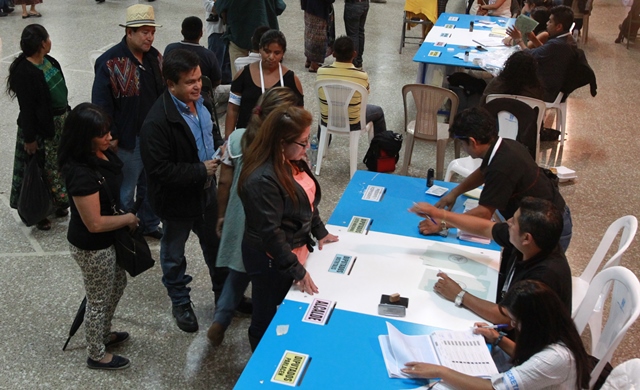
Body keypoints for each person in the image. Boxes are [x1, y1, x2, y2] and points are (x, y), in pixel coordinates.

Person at [139, 49, 227, 333]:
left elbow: (210, 131)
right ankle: (180, 302)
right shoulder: (157, 123)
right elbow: (160, 171)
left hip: (207, 194)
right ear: (171, 84)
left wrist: (220, 147)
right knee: (174, 254)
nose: (198, 86)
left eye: (199, 79)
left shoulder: (202, 102)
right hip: (177, 201)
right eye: (190, 82)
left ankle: (225, 299)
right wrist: (201, 169)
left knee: (216, 246)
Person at [238, 106, 339, 351]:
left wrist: (320, 231)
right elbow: (271, 234)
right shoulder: (262, 179)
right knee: (265, 312)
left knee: (291, 307)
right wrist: (298, 271)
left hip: (294, 249)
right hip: (271, 259)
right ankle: (261, 359)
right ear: (282, 142)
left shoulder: (292, 160)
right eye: (303, 143)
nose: (307, 149)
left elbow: (306, 200)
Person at [207, 87, 299, 347]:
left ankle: (220, 319)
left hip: (237, 215)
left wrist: (222, 215)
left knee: (237, 273)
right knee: (261, 279)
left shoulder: (237, 138)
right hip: (264, 224)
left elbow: (224, 182)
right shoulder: (280, 148)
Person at [418, 107, 573, 252]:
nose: (464, 148)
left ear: (472, 141)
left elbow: (483, 214)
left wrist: (443, 223)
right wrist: (455, 192)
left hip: (548, 229)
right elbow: (483, 172)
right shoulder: (503, 146)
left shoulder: (502, 165)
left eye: (462, 143)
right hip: (540, 219)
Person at [58, 103, 138, 370]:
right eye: (102, 134)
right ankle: (95, 353)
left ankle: (103, 334)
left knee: (117, 284)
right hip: (93, 246)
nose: (109, 137)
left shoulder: (99, 154)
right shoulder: (80, 173)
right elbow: (93, 223)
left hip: (108, 240)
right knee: (98, 299)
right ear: (84, 138)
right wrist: (127, 219)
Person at [410, 197, 572, 326]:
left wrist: (459, 294)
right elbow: (485, 228)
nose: (507, 221)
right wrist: (441, 216)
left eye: (513, 222)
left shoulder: (544, 277)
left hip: (526, 347)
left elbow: (505, 318)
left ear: (526, 238)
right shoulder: (533, 241)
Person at [402, 280, 591, 390]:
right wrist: (497, 338)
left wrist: (440, 371)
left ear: (534, 322)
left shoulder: (555, 358)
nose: (513, 325)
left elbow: (494, 388)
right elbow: (532, 358)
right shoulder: (556, 329)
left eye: (516, 321)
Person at [91, 4, 164, 240]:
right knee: (125, 189)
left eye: (152, 31)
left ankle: (150, 224)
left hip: (153, 137)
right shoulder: (110, 62)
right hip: (127, 140)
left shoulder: (155, 57)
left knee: (150, 184)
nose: (149, 37)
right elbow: (101, 104)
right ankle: (124, 228)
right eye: (144, 32)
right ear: (129, 32)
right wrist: (110, 133)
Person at [7, 24, 69, 231]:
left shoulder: (50, 62)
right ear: (42, 43)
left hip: (59, 124)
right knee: (41, 170)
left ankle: (59, 203)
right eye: (48, 38)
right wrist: (30, 139)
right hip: (40, 129)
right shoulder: (25, 72)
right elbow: (27, 109)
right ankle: (40, 210)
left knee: (57, 167)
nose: (50, 41)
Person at [225, 29, 304, 138]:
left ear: (283, 53)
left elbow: (299, 115)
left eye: (277, 53)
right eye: (267, 51)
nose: (271, 57)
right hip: (247, 138)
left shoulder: (291, 80)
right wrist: (228, 140)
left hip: (278, 140)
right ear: (260, 49)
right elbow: (232, 109)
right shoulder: (243, 75)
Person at [317, 35, 387, 135]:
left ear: (333, 54)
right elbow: (365, 96)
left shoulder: (321, 72)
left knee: (327, 108)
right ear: (354, 54)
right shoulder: (361, 76)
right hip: (353, 123)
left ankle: (323, 143)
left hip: (327, 120)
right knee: (378, 111)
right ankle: (380, 148)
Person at [506, 5, 576, 102]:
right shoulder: (567, 39)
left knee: (507, 81)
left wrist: (518, 40)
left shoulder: (557, 44)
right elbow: (543, 51)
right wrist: (533, 39)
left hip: (545, 89)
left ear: (559, 26)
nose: (547, 23)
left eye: (550, 21)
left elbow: (528, 55)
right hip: (555, 83)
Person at [214, 0, 286, 76]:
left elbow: (219, 7)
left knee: (238, 74)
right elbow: (280, 7)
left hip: (238, 35)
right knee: (266, 75)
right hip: (264, 36)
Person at [164, 16, 222, 91]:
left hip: (173, 93)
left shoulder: (170, 49)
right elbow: (217, 81)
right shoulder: (209, 55)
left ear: (182, 31)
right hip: (202, 95)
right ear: (201, 33)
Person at [480, 51, 545, 106]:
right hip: (526, 120)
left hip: (495, 119)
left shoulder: (496, 83)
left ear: (508, 66)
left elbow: (483, 104)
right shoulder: (536, 90)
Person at [301, 0, 334, 73]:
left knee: (309, 33)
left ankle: (309, 59)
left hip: (308, 5)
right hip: (319, 9)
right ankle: (314, 64)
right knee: (319, 36)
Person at [203, 0, 232, 84]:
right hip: (216, 32)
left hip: (229, 31)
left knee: (227, 67)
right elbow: (210, 7)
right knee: (215, 64)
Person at [344, 0, 369, 69]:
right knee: (360, 32)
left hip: (353, 4)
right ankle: (359, 60)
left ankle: (353, 61)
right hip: (365, 3)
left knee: (353, 34)